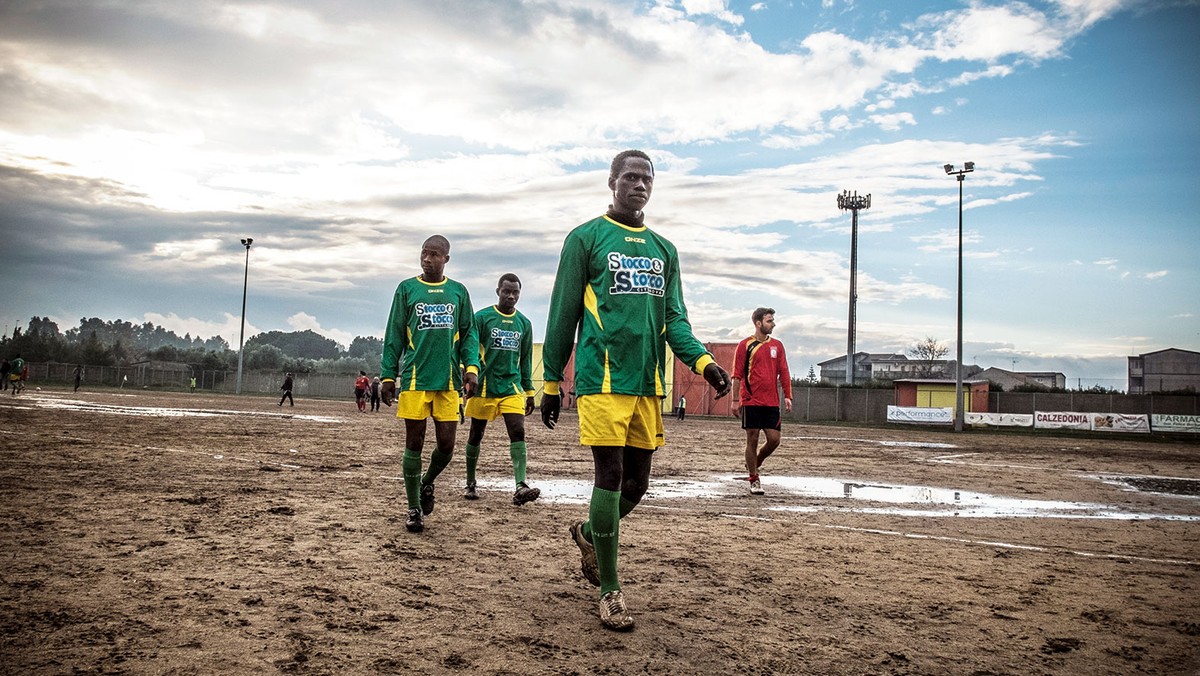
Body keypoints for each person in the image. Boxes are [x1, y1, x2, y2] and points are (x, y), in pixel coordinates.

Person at [541, 149, 732, 631]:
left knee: (637, 484)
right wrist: (549, 379)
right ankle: (610, 590)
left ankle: (588, 532)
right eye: (630, 176)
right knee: (609, 474)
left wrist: (705, 362)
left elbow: (675, 320)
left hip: (647, 383)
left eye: (647, 178)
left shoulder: (665, 250)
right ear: (611, 182)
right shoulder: (585, 238)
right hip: (601, 379)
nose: (639, 184)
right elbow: (563, 314)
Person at [379, 234, 479, 534]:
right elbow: (394, 334)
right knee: (414, 443)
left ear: (446, 258)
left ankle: (425, 482)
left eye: (435, 254)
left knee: (447, 447)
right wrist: (387, 375)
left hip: (447, 381)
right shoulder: (407, 289)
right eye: (424, 253)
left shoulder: (458, 292)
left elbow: (469, 334)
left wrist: (471, 368)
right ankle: (413, 509)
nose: (427, 259)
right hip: (414, 380)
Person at [461, 273, 540, 505]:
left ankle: (520, 485)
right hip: (484, 387)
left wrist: (529, 392)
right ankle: (470, 481)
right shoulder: (482, 318)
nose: (511, 296)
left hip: (511, 387)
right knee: (476, 433)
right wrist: (469, 374)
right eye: (506, 291)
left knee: (518, 431)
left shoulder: (524, 324)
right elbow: (471, 348)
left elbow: (525, 360)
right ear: (498, 291)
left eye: (515, 292)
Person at [731, 307, 793, 496]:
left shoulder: (777, 346)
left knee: (774, 440)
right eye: (769, 320)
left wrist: (788, 396)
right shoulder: (744, 345)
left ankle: (756, 461)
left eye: (773, 320)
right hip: (750, 401)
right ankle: (754, 479)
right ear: (758, 323)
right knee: (753, 438)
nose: (773, 324)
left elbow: (784, 371)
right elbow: (737, 375)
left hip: (771, 402)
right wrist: (735, 400)